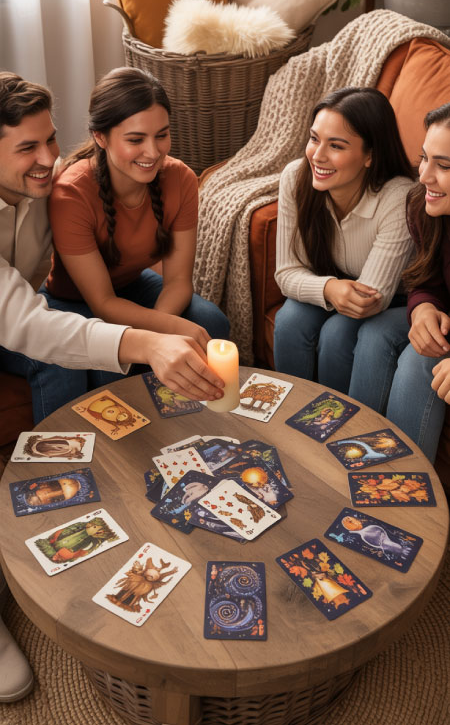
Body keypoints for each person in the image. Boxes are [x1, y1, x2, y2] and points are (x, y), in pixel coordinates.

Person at [0, 71, 224, 702]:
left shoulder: (47, 189)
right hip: (26, 316)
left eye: (50, 141)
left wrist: (169, 329)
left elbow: (37, 307)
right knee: (58, 358)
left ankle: (131, 483)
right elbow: (42, 320)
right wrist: (148, 342)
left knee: (84, 357)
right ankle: (56, 515)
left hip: (25, 312)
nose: (48, 158)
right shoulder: (69, 188)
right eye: (28, 148)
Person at [42, 67, 229, 386]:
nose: (153, 152)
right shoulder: (70, 193)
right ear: (100, 136)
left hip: (131, 286)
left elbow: (179, 281)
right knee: (113, 360)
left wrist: (166, 326)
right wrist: (161, 336)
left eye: (161, 135)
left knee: (211, 321)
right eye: (135, 139)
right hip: (72, 301)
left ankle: (190, 426)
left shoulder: (181, 179)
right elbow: (103, 303)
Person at [273, 86, 416, 392]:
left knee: (338, 333)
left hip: (396, 300)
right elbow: (285, 273)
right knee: (289, 320)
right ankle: (287, 419)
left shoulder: (398, 196)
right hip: (336, 284)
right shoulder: (294, 178)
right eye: (314, 139)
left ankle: (332, 429)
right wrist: (329, 287)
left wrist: (333, 290)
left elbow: (371, 298)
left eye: (336, 146)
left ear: (369, 156)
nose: (317, 155)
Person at [349, 103, 450, 463]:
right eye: (424, 159)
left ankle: (402, 492)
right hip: (445, 318)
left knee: (420, 361)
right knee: (376, 332)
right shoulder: (424, 206)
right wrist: (423, 306)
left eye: (444, 165)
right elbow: (427, 279)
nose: (424, 176)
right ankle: (355, 458)